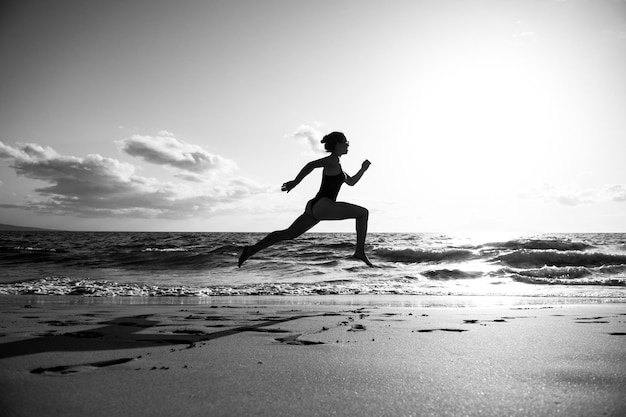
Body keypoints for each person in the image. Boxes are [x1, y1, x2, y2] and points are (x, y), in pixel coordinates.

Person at [238, 131, 373, 267]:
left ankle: (252, 249)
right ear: (337, 145)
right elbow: (311, 165)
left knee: (289, 234)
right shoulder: (332, 160)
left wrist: (363, 169)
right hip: (325, 205)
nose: (347, 145)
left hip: (314, 206)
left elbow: (351, 182)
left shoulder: (337, 165)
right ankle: (359, 252)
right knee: (363, 213)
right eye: (345, 142)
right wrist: (295, 182)